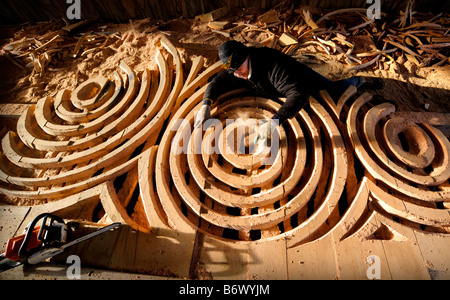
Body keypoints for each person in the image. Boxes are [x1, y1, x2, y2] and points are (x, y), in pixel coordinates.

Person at [194, 40, 384, 146]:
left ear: (247, 56)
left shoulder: (273, 67)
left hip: (303, 82)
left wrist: (274, 122)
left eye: (238, 68)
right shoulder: (237, 69)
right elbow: (217, 82)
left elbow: (298, 94)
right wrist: (206, 104)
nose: (237, 74)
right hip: (276, 89)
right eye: (233, 71)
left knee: (334, 91)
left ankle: (360, 80)